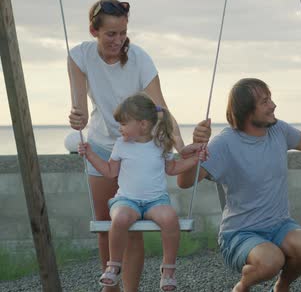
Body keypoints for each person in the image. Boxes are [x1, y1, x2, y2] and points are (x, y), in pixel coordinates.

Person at [67, 0, 210, 291]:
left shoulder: (140, 59)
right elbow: (79, 104)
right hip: (105, 144)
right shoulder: (79, 56)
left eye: (122, 33)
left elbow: (161, 109)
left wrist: (180, 145)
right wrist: (77, 118)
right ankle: (111, 287)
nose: (118, 40)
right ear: (94, 31)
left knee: (134, 231)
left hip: (140, 143)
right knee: (108, 227)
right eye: (110, 34)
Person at [177, 78, 301, 292]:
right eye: (265, 101)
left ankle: (282, 287)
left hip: (279, 225)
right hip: (239, 234)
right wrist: (196, 149)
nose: (273, 105)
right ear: (247, 111)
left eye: (270, 99)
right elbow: (185, 182)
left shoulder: (278, 130)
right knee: (271, 260)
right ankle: (242, 287)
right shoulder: (225, 143)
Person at [78, 93, 206, 291]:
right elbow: (110, 171)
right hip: (127, 200)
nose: (119, 128)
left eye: (123, 124)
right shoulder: (121, 145)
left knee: (170, 218)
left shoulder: (160, 144)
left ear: (143, 125)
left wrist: (195, 160)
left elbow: (172, 168)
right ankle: (114, 265)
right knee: (119, 219)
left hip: (156, 201)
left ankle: (168, 269)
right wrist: (90, 154)